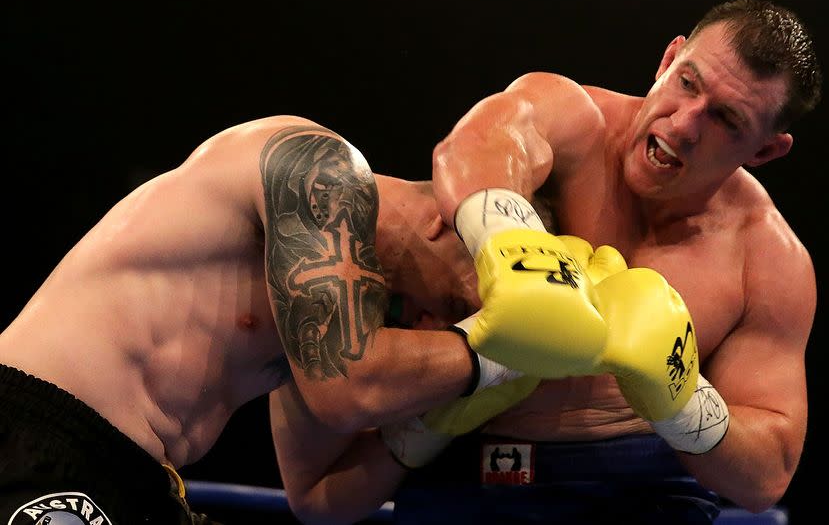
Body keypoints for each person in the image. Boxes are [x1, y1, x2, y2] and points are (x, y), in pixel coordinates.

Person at [389, 0, 822, 523]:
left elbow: (767, 474)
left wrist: (682, 401)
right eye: (688, 82)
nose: (685, 124)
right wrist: (513, 246)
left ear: (764, 151)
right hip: (468, 466)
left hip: (647, 488)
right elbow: (481, 141)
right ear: (667, 61)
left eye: (726, 119)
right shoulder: (575, 120)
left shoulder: (767, 259)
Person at [0, 114, 535, 524]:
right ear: (445, 224)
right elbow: (350, 389)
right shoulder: (320, 170)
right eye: (459, 304)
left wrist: (430, 426)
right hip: (34, 427)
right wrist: (501, 353)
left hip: (138, 477)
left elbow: (317, 496)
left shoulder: (339, 306)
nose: (436, 327)